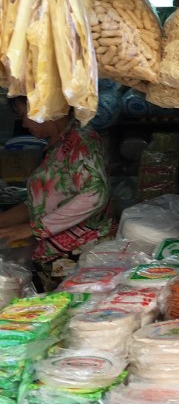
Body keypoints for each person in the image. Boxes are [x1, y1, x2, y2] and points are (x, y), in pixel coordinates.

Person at [0, 100, 112, 282]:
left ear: (43, 105)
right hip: (58, 257)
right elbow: (39, 203)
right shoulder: (59, 145)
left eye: (23, 115)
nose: (24, 124)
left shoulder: (81, 140)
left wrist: (34, 229)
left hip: (82, 256)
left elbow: (95, 193)